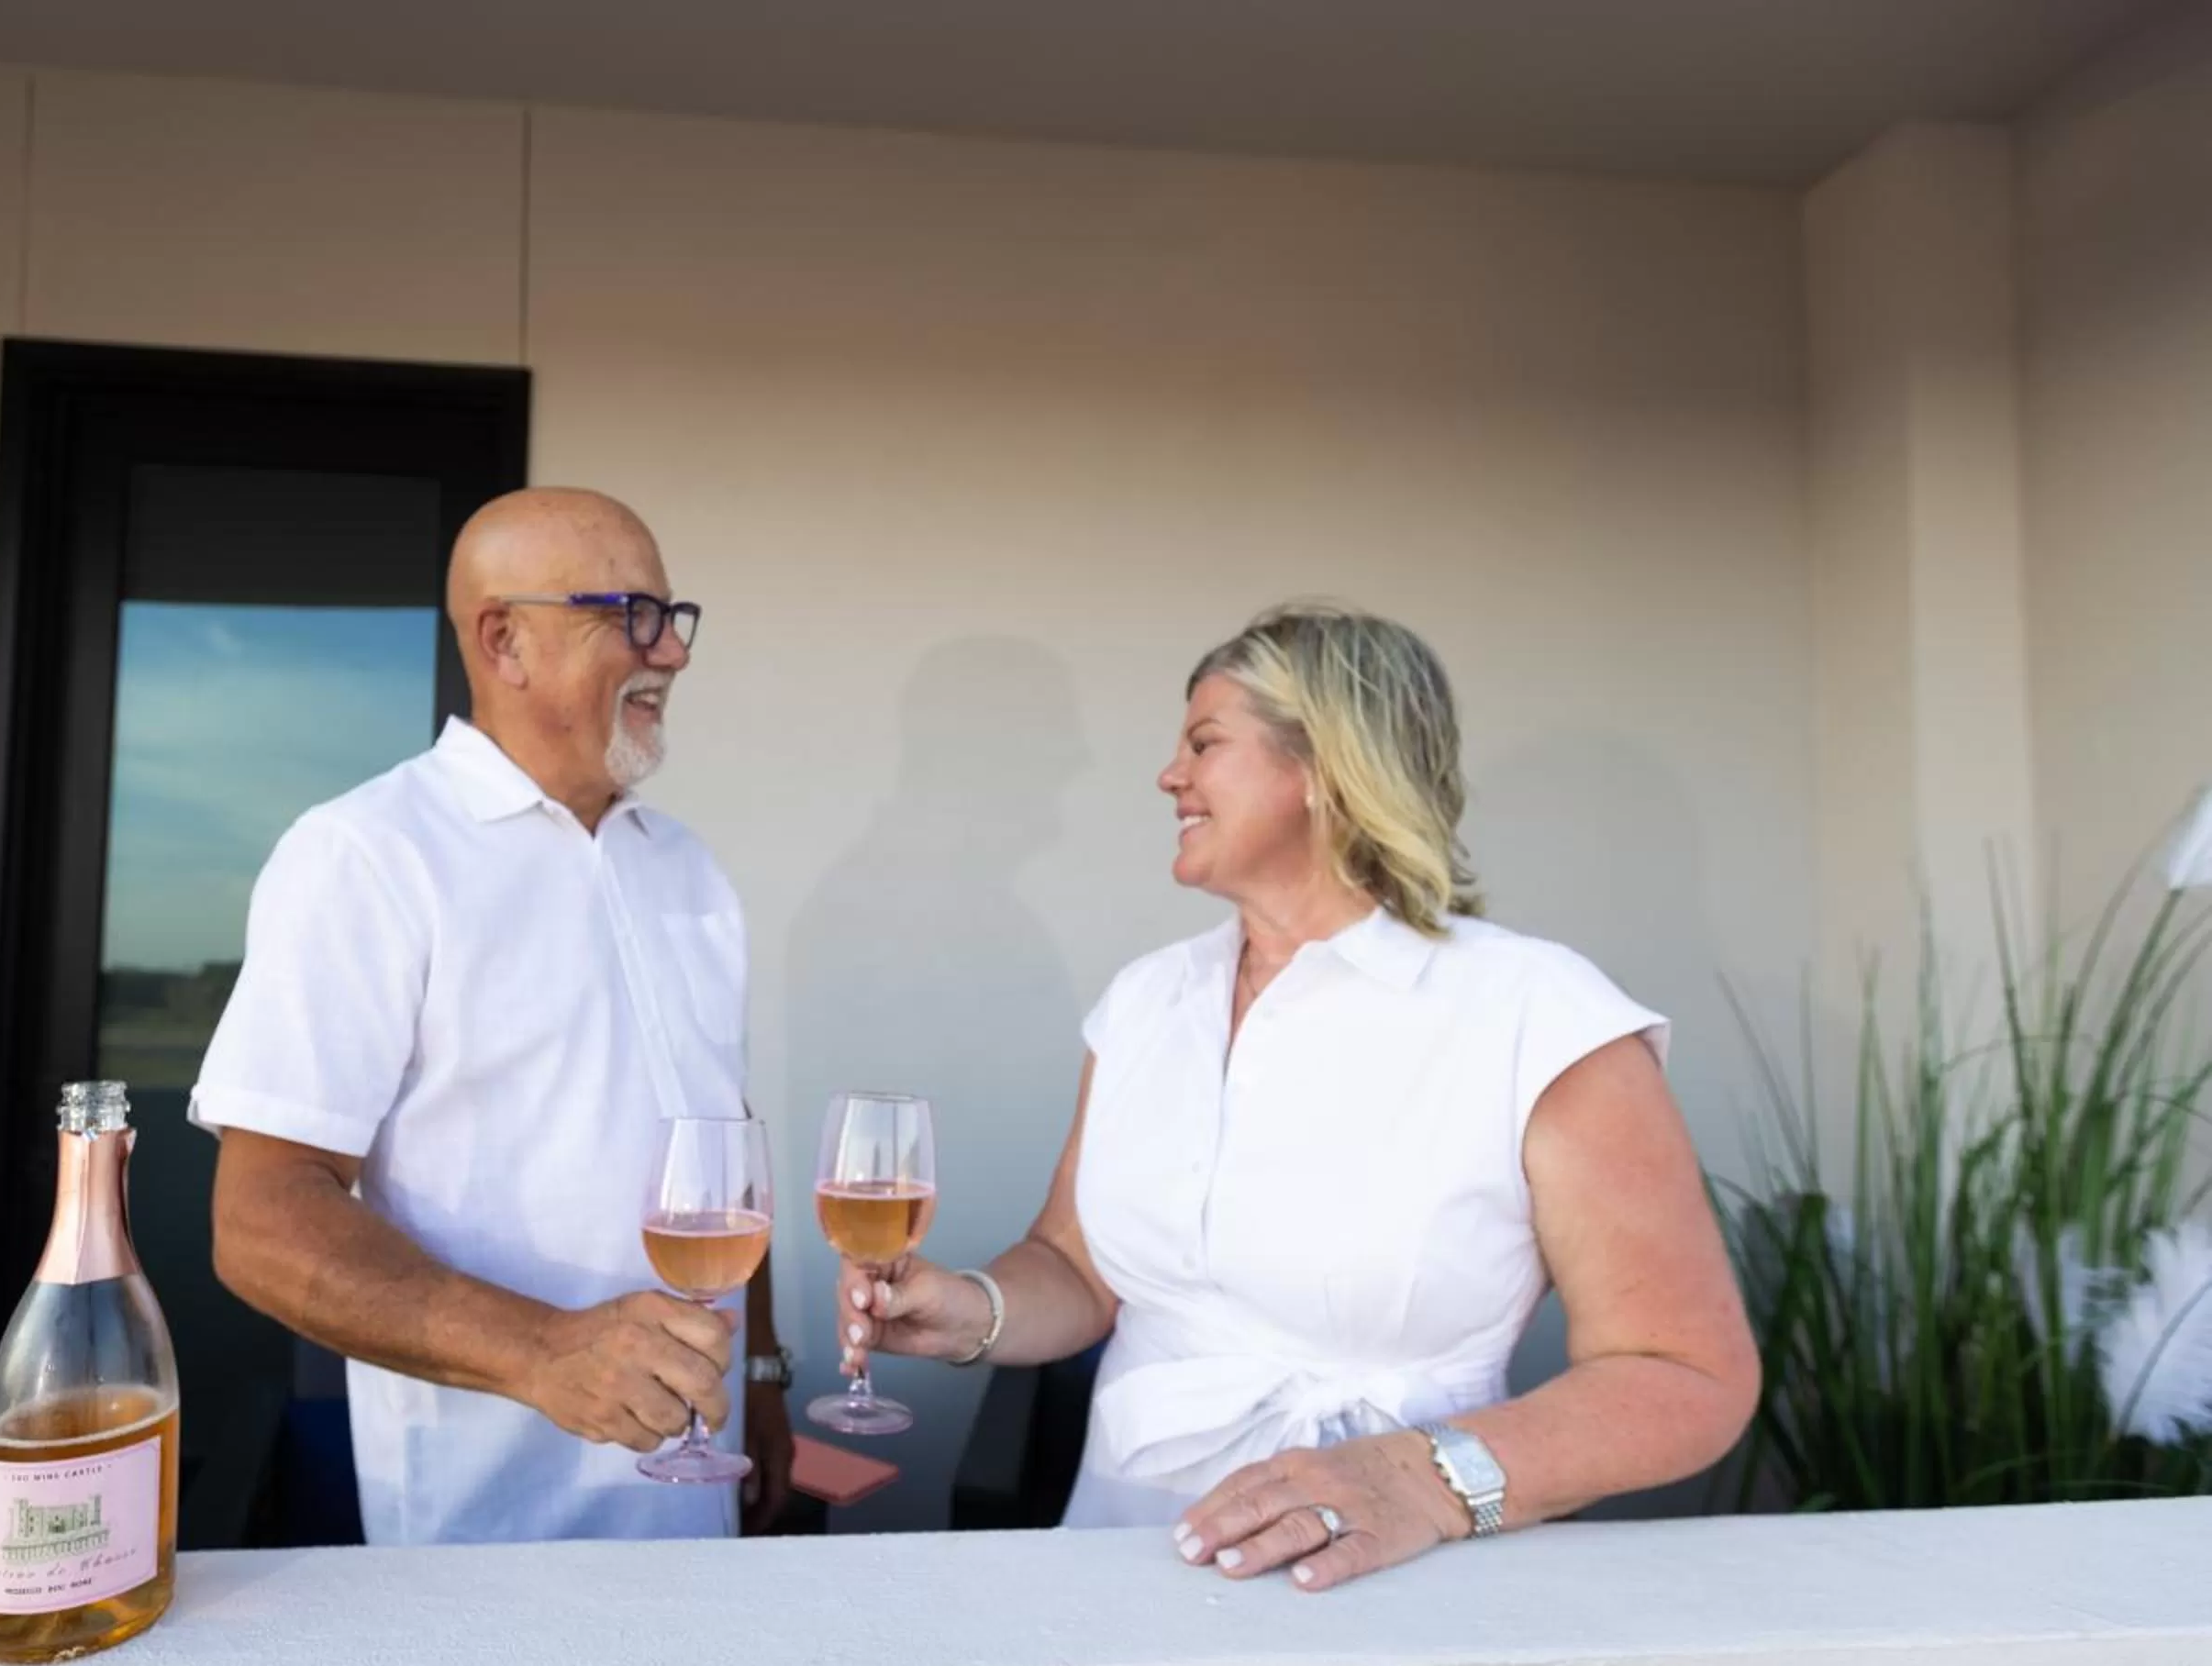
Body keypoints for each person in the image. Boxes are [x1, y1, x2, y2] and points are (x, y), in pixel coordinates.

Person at [839, 603, 1758, 1588]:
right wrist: (970, 1308)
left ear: (1324, 765)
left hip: (1399, 1579)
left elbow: (1684, 1372)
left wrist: (1417, 1482)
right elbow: (1075, 1265)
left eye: (1204, 742)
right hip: (1122, 1561)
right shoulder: (1146, 1002)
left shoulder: (1540, 1014)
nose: (1169, 775)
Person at [195, 487, 794, 1545]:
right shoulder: (370, 854)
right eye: (631, 616)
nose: (674, 655)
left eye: (674, 615)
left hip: (701, 1534)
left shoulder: (688, 867)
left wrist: (763, 1372)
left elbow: (721, 1147)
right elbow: (260, 1218)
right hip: (486, 1546)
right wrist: (543, 1350)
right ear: (504, 640)